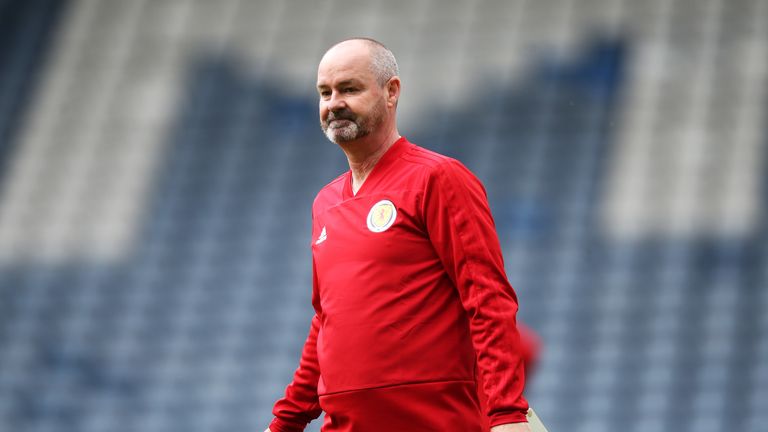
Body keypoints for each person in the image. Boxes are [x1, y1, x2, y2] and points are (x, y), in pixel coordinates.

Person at [266, 37, 531, 432]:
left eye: (350, 89)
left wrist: (506, 414)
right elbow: (327, 321)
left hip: (433, 421)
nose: (334, 102)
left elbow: (488, 298)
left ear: (391, 92)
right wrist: (285, 422)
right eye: (325, 92)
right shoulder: (325, 203)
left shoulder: (438, 178)